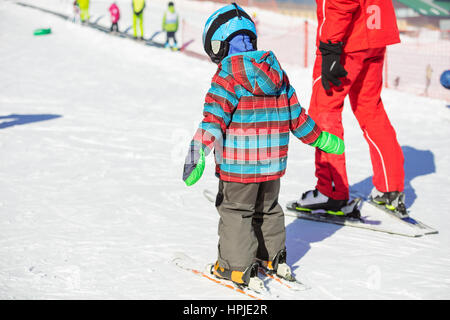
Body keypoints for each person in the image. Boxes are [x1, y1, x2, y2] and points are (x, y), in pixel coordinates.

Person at [182, 3, 345, 291]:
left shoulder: (227, 75)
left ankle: (234, 268)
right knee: (268, 208)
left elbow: (213, 120)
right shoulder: (277, 73)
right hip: (272, 166)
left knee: (235, 211)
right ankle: (273, 259)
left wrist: (197, 153)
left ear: (219, 44)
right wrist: (320, 138)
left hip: (238, 167)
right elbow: (296, 116)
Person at [295, 0, 407, 216]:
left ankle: (331, 193)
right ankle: (389, 187)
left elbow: (338, 3)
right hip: (374, 34)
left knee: (324, 110)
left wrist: (330, 47)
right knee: (370, 108)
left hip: (346, 40)